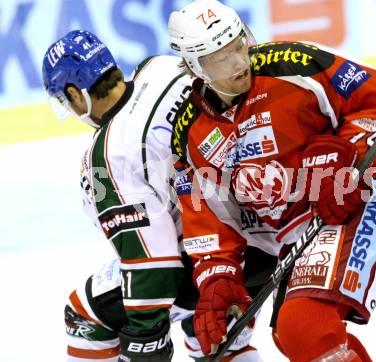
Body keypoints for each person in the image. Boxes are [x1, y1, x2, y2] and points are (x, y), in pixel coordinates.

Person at [167, 1, 376, 361]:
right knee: (293, 336)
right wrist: (218, 277)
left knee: (303, 325)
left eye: (238, 45)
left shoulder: (294, 65)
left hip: (361, 201)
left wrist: (346, 157)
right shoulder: (189, 133)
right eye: (220, 57)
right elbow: (210, 215)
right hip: (298, 235)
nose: (239, 62)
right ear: (194, 67)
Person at [42, 30, 275, 361]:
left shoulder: (107, 156)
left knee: (83, 315)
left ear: (74, 93)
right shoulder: (163, 67)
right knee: (213, 337)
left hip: (215, 262)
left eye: (67, 101)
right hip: (270, 227)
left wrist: (145, 337)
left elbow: (154, 263)